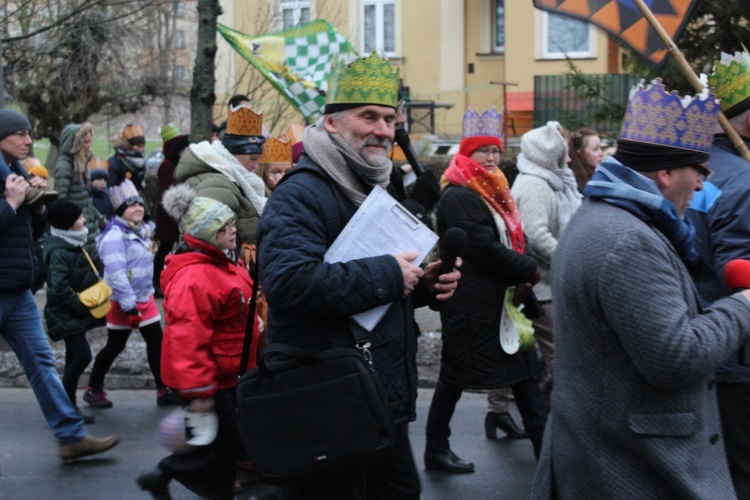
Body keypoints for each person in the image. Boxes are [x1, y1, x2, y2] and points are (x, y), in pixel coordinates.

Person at [531, 79, 750, 498]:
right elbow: (675, 357)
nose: (703, 184)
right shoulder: (628, 239)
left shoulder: (605, 216)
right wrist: (742, 305)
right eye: (699, 170)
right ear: (665, 174)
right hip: (631, 468)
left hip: (613, 456)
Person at [257, 52, 460, 498]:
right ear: (331, 123)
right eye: (368, 116)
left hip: (376, 393)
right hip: (327, 395)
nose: (383, 131)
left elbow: (367, 285)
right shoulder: (301, 193)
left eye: (389, 119)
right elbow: (289, 283)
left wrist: (420, 284)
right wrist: (391, 274)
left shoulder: (377, 184)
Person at [425, 107, 547, 473]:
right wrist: (528, 267)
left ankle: (547, 454)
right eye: (484, 151)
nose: (492, 158)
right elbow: (482, 249)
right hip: (472, 301)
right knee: (455, 376)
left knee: (524, 374)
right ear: (466, 153)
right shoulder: (460, 194)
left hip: (499, 300)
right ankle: (436, 448)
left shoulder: (492, 188)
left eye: (496, 151)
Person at [0, 109, 118, 463]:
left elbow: (29, 232)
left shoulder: (17, 173)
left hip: (17, 289)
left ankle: (70, 437)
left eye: (28, 133)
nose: (27, 140)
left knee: (41, 361)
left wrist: (35, 208)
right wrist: (10, 204)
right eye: (19, 133)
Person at [137, 186, 258, 500]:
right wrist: (200, 391)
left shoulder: (222, 261)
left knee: (213, 439)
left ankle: (168, 475)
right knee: (222, 439)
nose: (233, 231)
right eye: (224, 228)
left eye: (232, 223)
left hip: (224, 371)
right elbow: (187, 341)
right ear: (206, 234)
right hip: (206, 378)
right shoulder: (196, 278)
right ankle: (179, 477)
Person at [688, 50, 750, 499]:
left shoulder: (693, 166)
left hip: (697, 340)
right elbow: (739, 273)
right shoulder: (743, 181)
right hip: (736, 356)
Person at [83, 179, 177, 408]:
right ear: (120, 211)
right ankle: (93, 388)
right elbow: (116, 274)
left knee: (157, 342)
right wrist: (129, 306)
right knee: (116, 345)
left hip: (144, 299)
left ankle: (163, 390)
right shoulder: (114, 237)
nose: (138, 209)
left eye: (140, 204)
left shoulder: (143, 229)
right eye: (131, 205)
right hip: (122, 302)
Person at [510, 121, 581, 398]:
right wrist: (567, 258)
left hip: (543, 284)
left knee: (525, 356)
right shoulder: (537, 185)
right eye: (564, 153)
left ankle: (501, 409)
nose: (569, 159)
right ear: (552, 155)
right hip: (542, 288)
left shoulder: (543, 180)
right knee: (559, 358)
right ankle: (563, 420)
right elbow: (536, 234)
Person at [43, 200, 105, 424]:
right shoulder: (60, 251)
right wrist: (80, 307)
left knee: (73, 358)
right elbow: (59, 287)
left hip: (71, 313)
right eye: (79, 218)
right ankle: (65, 407)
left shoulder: (71, 244)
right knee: (82, 356)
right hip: (66, 313)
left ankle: (68, 408)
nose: (84, 220)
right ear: (68, 224)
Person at [175, 103, 267, 247]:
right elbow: (209, 243)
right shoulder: (219, 185)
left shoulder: (233, 180)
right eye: (253, 159)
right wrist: (251, 255)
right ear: (234, 155)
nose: (256, 166)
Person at [54, 122, 102, 258]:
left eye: (90, 142)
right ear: (74, 143)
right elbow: (60, 201)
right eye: (85, 142)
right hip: (77, 229)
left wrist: (98, 215)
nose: (88, 146)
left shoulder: (81, 163)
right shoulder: (65, 166)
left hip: (89, 226)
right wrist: (75, 221)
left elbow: (85, 197)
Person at [153, 124, 189, 298]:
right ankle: (157, 282)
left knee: (171, 247)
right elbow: (171, 192)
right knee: (165, 248)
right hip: (169, 214)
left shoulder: (175, 164)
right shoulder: (166, 166)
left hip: (176, 212)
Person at [108, 124, 147, 189]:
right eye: (138, 146)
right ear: (128, 145)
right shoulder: (114, 163)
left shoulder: (141, 163)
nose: (141, 150)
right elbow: (111, 188)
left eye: (142, 146)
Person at [567, 127, 605, 193]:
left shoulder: (599, 175)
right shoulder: (570, 180)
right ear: (580, 153)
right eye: (595, 149)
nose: (601, 154)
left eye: (600, 148)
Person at [89, 162, 114, 227]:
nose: (103, 182)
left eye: (105, 180)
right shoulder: (89, 196)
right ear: (91, 180)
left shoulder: (105, 195)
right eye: (99, 179)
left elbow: (111, 212)